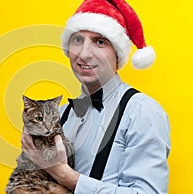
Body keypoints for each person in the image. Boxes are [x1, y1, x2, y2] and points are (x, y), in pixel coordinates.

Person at [22, 0, 171, 193]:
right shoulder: (59, 114)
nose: (84, 54)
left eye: (99, 42)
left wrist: (66, 176)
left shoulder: (142, 112)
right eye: (77, 40)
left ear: (117, 54)